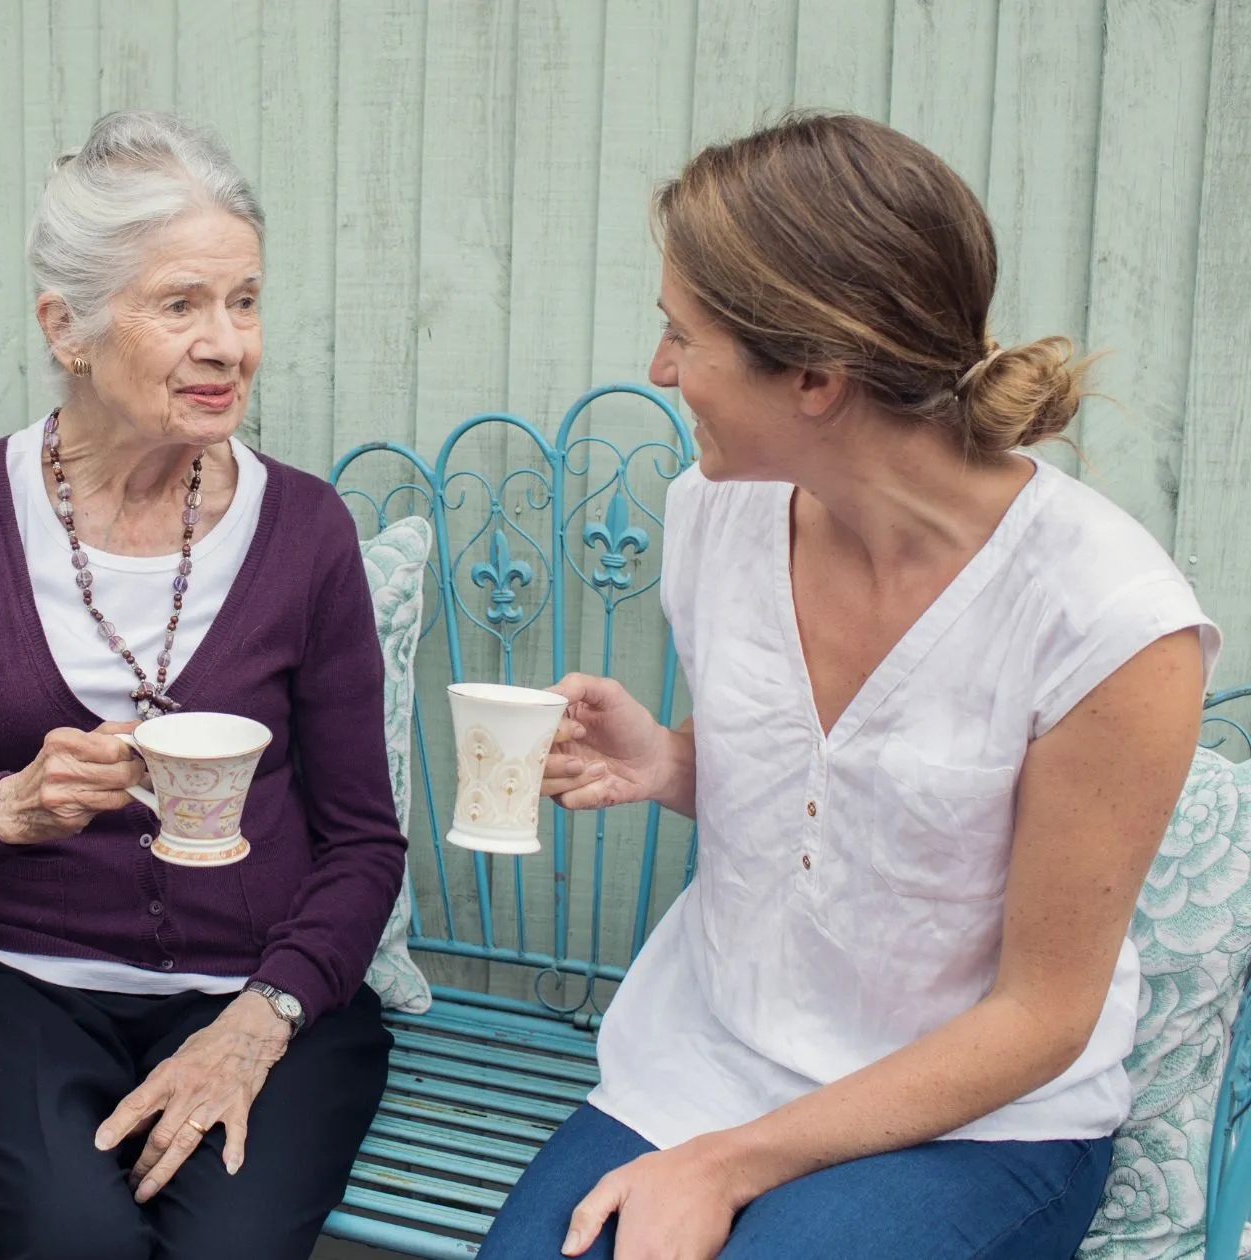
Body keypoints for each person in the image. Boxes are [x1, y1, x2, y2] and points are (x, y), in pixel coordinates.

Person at [479, 112, 1221, 1260]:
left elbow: (1041, 1016)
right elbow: (840, 805)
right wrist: (672, 764)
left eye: (682, 336)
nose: (657, 369)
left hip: (972, 1122)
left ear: (815, 377)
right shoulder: (713, 516)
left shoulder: (1109, 623)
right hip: (700, 1062)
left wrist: (730, 1165)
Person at [0, 110, 405, 1260]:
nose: (227, 344)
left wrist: (261, 1018)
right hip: (16, 993)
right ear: (68, 329)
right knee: (70, 1241)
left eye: (243, 301)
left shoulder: (305, 532)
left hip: (264, 997)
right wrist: (7, 807)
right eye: (179, 303)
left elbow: (362, 846)